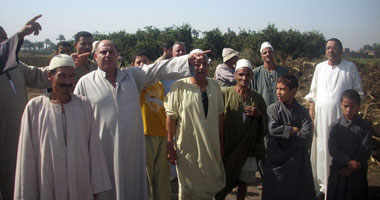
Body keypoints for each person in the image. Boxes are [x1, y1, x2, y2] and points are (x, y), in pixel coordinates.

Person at [74, 40, 209, 200]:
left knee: (133, 189)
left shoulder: (132, 76)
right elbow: (76, 117)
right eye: (103, 52)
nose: (108, 55)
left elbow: (159, 68)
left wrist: (187, 59)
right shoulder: (85, 83)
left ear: (118, 56)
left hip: (133, 151)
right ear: (95, 56)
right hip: (103, 151)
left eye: (111, 52)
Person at [14, 54, 111, 199]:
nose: (67, 81)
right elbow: (27, 153)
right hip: (48, 181)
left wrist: (96, 184)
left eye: (71, 76)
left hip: (80, 181)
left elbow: (94, 147)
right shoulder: (35, 108)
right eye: (62, 76)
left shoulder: (83, 105)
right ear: (49, 76)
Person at [0, 15, 52, 200]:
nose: (6, 44)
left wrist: (61, 66)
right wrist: (20, 35)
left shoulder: (16, 66)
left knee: (14, 184)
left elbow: (39, 76)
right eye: (3, 41)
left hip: (17, 138)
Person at [305, 38, 364, 198]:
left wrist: (351, 112)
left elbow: (358, 93)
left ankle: (337, 184)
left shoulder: (349, 67)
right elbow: (313, 92)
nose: (331, 50)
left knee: (337, 149)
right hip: (321, 118)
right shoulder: (319, 68)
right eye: (328, 48)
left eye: (334, 47)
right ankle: (322, 186)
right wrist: (312, 109)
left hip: (341, 120)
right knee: (322, 149)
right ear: (325, 51)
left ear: (341, 50)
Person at [165, 49, 226, 199]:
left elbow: (220, 116)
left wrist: (221, 141)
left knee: (210, 183)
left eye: (204, 64)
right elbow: (171, 117)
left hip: (212, 145)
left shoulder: (215, 85)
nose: (201, 67)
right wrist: (169, 144)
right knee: (189, 187)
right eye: (197, 64)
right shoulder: (179, 86)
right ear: (190, 65)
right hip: (188, 146)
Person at [216, 59, 267, 200]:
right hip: (228, 147)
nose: (244, 78)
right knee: (223, 180)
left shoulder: (257, 98)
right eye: (241, 74)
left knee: (243, 181)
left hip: (248, 147)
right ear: (235, 75)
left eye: (248, 75)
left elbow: (266, 121)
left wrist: (259, 115)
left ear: (252, 76)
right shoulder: (224, 93)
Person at [262, 75, 316, 200]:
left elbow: (307, 135)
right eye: (277, 89)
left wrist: (286, 137)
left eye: (282, 89)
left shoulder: (302, 112)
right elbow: (273, 129)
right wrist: (292, 129)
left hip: (297, 161)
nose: (278, 93)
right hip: (277, 160)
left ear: (293, 91)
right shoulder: (273, 110)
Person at [132, 50, 170, 200]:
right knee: (146, 178)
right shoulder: (134, 84)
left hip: (162, 134)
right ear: (132, 66)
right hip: (144, 134)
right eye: (138, 62)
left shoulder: (159, 84)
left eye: (145, 61)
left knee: (162, 177)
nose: (142, 65)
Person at [327, 89, 372, 200]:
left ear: (358, 107)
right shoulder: (335, 126)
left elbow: (365, 149)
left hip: (357, 171)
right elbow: (333, 149)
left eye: (352, 107)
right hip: (339, 169)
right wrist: (346, 162)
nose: (348, 110)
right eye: (345, 106)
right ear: (341, 105)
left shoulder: (364, 127)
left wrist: (353, 167)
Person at [250, 41, 288, 106]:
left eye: (270, 52)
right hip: (262, 111)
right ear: (261, 56)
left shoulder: (283, 71)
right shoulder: (255, 73)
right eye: (265, 53)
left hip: (281, 109)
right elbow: (251, 93)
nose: (267, 54)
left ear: (273, 54)